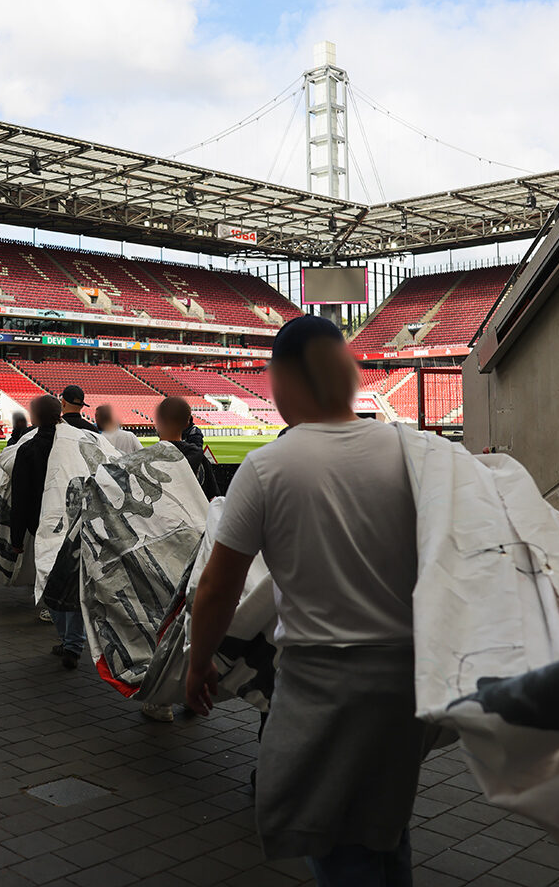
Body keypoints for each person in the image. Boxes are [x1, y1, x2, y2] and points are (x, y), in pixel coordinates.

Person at [184, 316, 430, 887]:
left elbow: (218, 586)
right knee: (388, 826)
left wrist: (200, 664)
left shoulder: (268, 467)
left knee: (336, 841)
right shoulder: (414, 451)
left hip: (321, 678)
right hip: (407, 674)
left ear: (288, 379)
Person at [12, 394, 85, 668]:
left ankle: (68, 640)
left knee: (48, 579)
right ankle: (73, 643)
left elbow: (20, 498)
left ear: (35, 418)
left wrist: (16, 539)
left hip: (41, 526)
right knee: (73, 583)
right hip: (76, 524)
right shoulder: (79, 441)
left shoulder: (27, 450)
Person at [154, 397, 222, 500]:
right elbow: (213, 499)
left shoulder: (141, 461)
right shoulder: (199, 459)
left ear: (158, 421)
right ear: (186, 422)